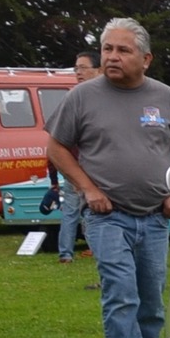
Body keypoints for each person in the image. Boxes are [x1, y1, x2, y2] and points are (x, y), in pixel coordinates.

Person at [46, 18, 170, 338]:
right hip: (107, 216)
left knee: (150, 300)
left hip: (154, 217)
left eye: (122, 50)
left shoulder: (165, 98)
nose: (112, 57)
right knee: (120, 294)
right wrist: (89, 189)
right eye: (107, 49)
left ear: (146, 58)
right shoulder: (83, 97)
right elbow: (57, 148)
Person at [51, 50, 101, 263]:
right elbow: (54, 145)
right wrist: (55, 178)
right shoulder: (74, 99)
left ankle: (98, 253)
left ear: (98, 70)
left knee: (93, 216)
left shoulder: (104, 99)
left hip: (98, 173)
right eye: (76, 69)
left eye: (83, 68)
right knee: (74, 214)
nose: (78, 72)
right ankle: (66, 253)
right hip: (76, 173)